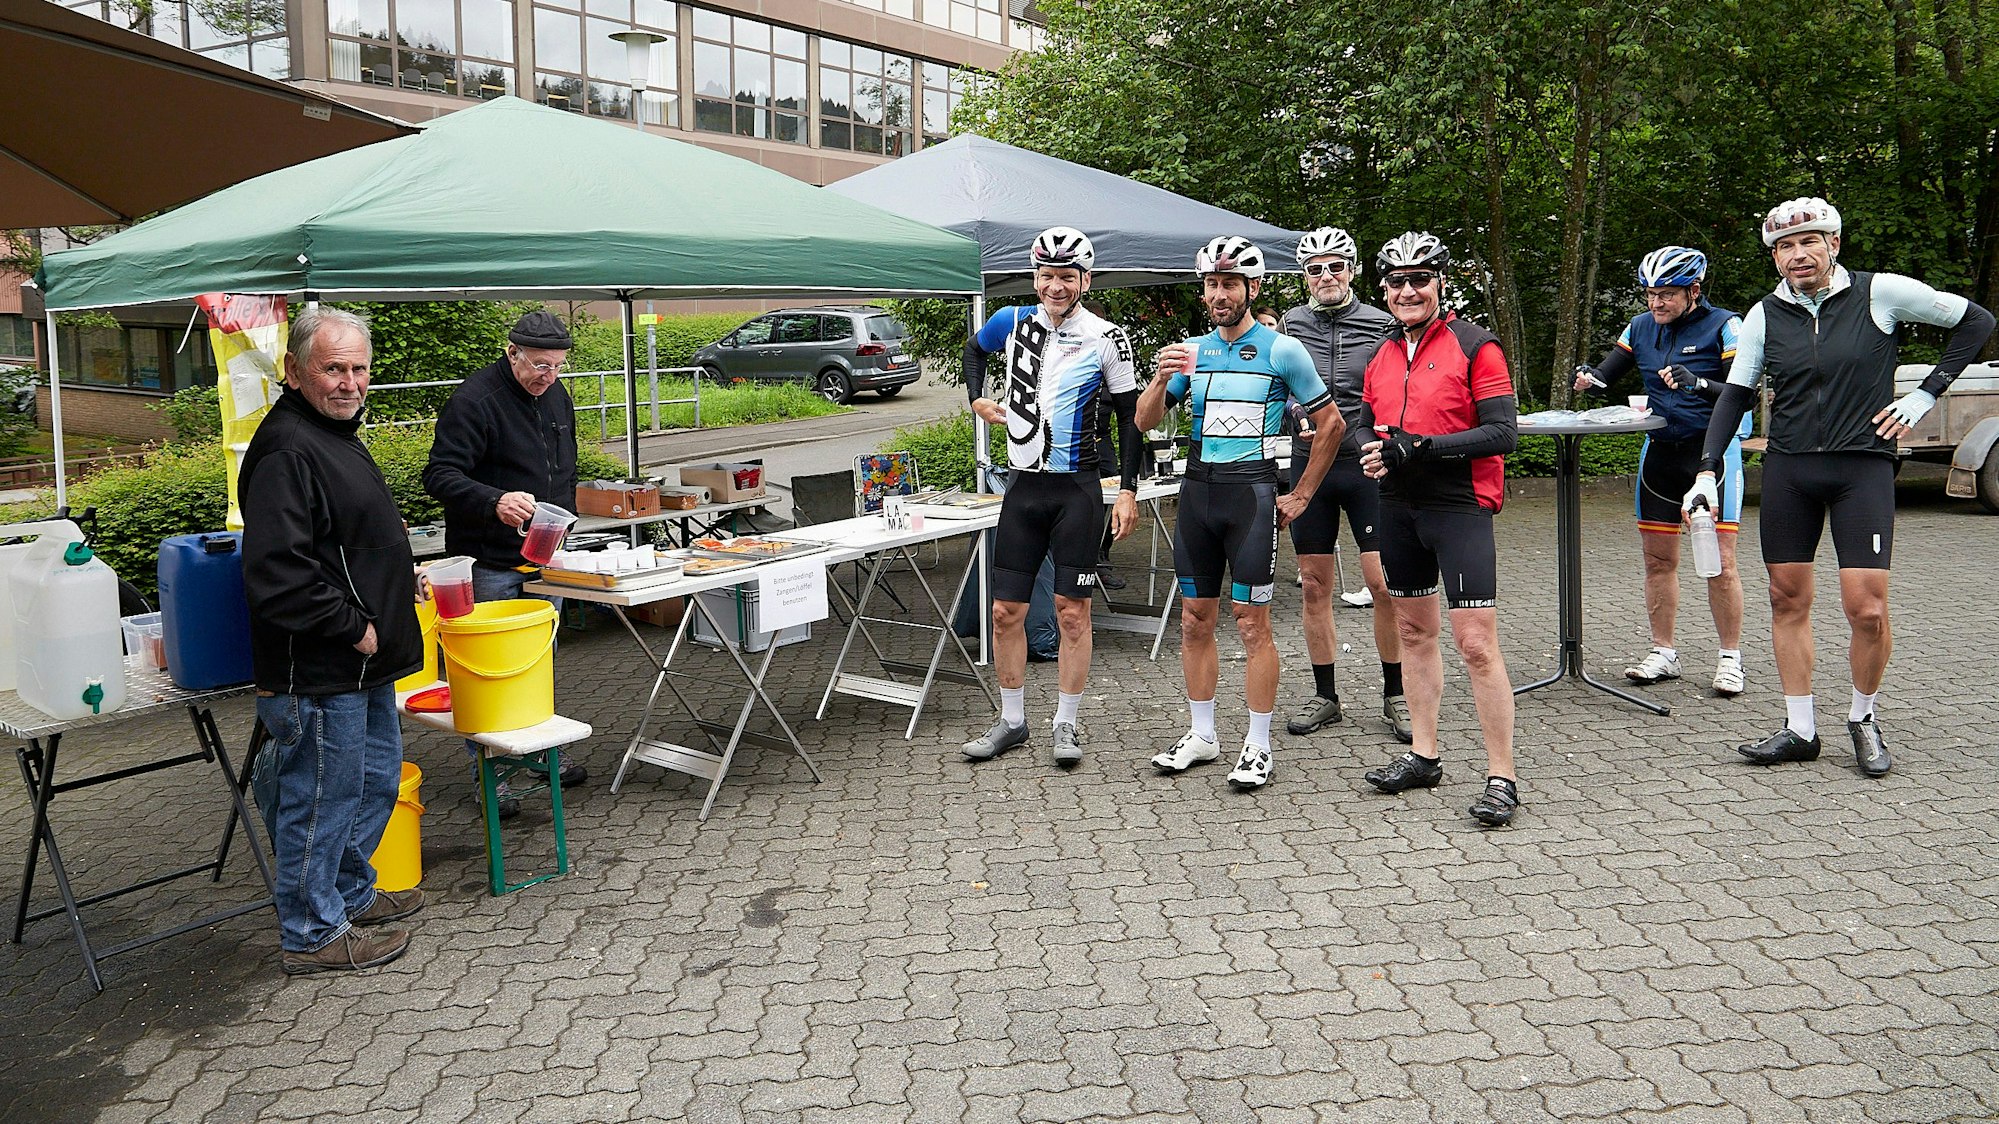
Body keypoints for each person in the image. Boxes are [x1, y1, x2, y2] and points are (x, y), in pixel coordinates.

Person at [1683, 197, 1994, 777]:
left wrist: (1926, 394)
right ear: (1775, 257)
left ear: (1834, 244)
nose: (1797, 255)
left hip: (1863, 469)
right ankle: (1800, 728)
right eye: (1784, 247)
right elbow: (1735, 395)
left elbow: (1976, 321)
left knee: (1867, 610)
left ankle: (1862, 716)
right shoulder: (1764, 315)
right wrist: (1707, 471)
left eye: (1809, 242)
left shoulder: (1880, 292)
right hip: (1791, 471)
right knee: (1786, 599)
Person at [241, 307, 425, 974]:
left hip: (361, 667)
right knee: (320, 801)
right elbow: (277, 572)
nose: (350, 382)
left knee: (373, 786)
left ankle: (349, 894)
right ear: (294, 372)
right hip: (319, 667)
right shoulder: (287, 447)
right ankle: (313, 933)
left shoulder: (333, 432)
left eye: (358, 368)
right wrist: (354, 625)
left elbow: (342, 539)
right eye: (333, 368)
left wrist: (402, 576)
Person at [1138, 236, 1343, 790]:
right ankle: (1203, 735)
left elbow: (1332, 426)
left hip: (1251, 495)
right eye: (1211, 284)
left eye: (1230, 284)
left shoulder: (1282, 350)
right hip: (1198, 493)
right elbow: (1142, 422)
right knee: (1193, 619)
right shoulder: (1191, 351)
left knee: (1251, 622)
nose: (1219, 294)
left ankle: (1258, 744)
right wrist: (1160, 377)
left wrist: (1300, 496)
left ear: (1253, 288)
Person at [1353, 232, 1523, 827]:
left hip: (1458, 504)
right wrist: (1362, 446)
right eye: (1397, 281)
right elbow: (1364, 421)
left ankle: (1501, 776)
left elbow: (1503, 434)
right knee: (1412, 631)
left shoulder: (1477, 346)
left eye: (1420, 278)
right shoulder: (1383, 350)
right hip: (1398, 504)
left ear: (1440, 283)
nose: (1408, 289)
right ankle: (1424, 755)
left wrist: (1419, 448)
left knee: (1475, 643)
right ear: (1384, 290)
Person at [960, 227, 1142, 767]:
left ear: (1085, 280)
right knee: (1003, 612)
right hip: (1022, 487)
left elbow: (1131, 418)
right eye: (1046, 276)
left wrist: (1127, 489)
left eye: (1066, 276)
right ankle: (1013, 721)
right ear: (1035, 278)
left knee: (1071, 612)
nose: (1055, 286)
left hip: (1078, 489)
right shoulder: (1011, 322)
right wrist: (976, 399)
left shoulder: (1107, 336)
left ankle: (1066, 723)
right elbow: (973, 350)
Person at [423, 309, 587, 816]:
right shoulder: (475, 401)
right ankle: (490, 774)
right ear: (511, 352)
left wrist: (567, 522)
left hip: (546, 556)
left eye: (557, 366)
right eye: (539, 365)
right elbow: (438, 475)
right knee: (489, 674)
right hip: (489, 560)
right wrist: (492, 498)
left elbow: (564, 466)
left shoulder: (556, 393)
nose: (549, 377)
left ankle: (540, 754)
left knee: (538, 664)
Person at [1574, 246, 1751, 696]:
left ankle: (1730, 658)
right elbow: (1606, 375)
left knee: (1718, 563)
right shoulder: (1639, 327)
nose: (1657, 304)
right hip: (1660, 454)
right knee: (1657, 560)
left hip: (1712, 455)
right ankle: (1664, 652)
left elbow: (1741, 394)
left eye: (1667, 294)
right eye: (1651, 294)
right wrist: (1588, 379)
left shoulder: (1726, 325)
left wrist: (1697, 382)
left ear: (1693, 290)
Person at [1279, 226, 1407, 742]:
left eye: (1335, 266)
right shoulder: (1290, 322)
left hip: (1366, 465)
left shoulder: (1382, 324)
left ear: (1352, 269)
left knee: (1382, 585)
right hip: (1310, 465)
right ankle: (1325, 696)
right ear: (1305, 277)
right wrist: (1292, 410)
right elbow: (1280, 383)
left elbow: (1398, 387)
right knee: (1314, 585)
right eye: (1315, 269)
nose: (1326, 276)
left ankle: (1396, 694)